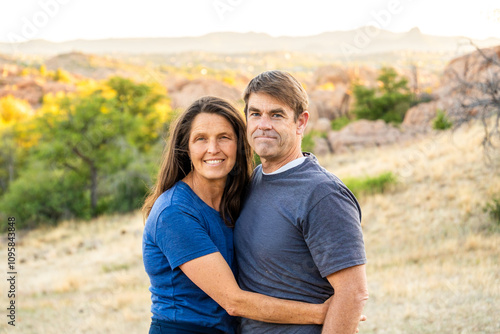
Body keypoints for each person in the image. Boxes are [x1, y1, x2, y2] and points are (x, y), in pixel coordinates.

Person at [141, 96, 334, 334]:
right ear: (186, 148)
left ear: (239, 144)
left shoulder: (239, 197)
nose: (213, 149)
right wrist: (323, 313)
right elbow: (234, 301)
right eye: (201, 139)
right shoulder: (174, 212)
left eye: (224, 137)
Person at [234, 70, 369, 333]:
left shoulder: (322, 194)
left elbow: (353, 293)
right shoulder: (254, 180)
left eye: (276, 115)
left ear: (300, 122)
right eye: (255, 114)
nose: (263, 124)